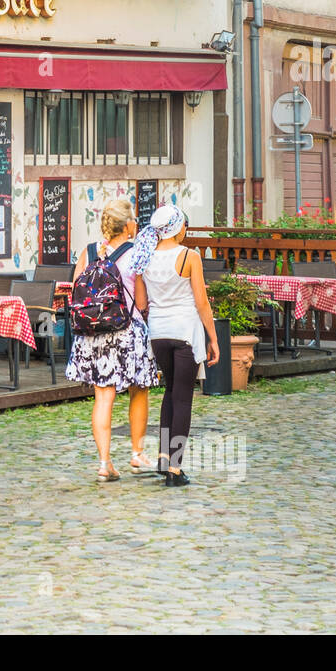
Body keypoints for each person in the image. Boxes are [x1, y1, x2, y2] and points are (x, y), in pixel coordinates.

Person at [66, 199, 158, 482]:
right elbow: (141, 301)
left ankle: (105, 463)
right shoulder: (135, 255)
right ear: (129, 226)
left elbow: (74, 292)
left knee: (102, 397)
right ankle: (137, 453)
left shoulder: (88, 252)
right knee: (139, 390)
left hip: (92, 336)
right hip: (127, 332)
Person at [129, 204, 220, 488]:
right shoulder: (189, 256)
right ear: (178, 227)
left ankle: (163, 458)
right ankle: (175, 469)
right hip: (184, 332)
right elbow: (202, 302)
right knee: (182, 399)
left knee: (169, 393)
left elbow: (142, 304)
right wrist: (213, 338)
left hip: (159, 333)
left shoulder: (144, 258)